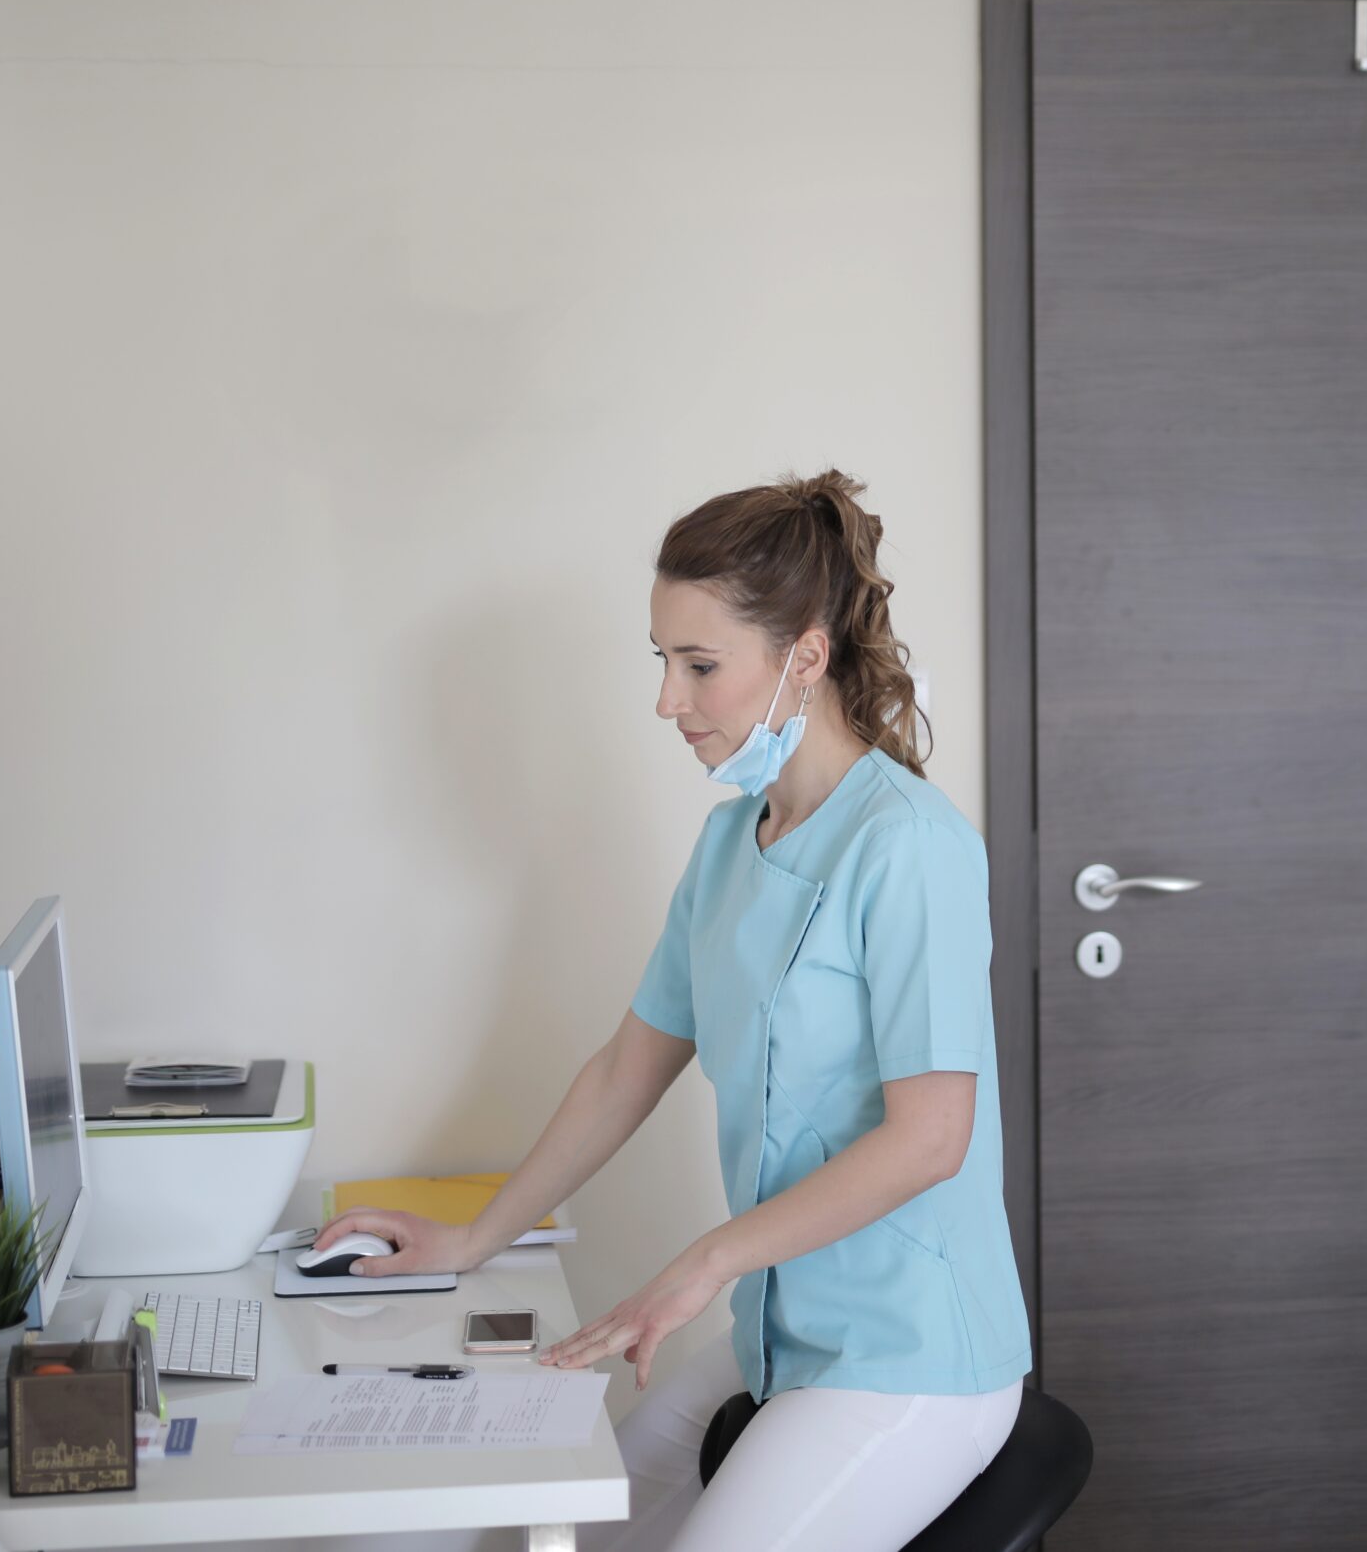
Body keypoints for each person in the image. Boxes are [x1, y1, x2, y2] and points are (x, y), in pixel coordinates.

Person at [311, 469, 1031, 1552]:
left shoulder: (910, 848)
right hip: (777, 1333)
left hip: (911, 1360)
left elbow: (931, 1140)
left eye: (700, 666)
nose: (667, 700)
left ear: (804, 657)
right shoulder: (727, 846)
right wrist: (471, 1238)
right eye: (662, 661)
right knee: (571, 1529)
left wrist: (705, 1263)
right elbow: (626, 1069)